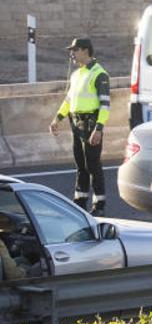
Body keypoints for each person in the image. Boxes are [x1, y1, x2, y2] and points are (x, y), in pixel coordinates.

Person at [47, 38, 110, 215]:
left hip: (91, 123)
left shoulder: (99, 74)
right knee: (80, 165)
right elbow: (69, 100)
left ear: (85, 50)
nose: (71, 54)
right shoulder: (76, 75)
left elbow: (105, 105)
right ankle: (80, 202)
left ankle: (99, 205)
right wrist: (57, 118)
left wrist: (99, 128)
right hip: (76, 123)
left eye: (75, 50)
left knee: (93, 165)